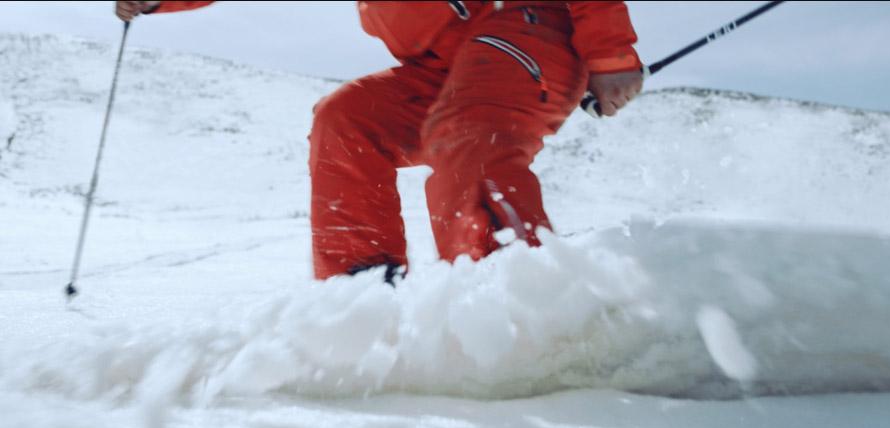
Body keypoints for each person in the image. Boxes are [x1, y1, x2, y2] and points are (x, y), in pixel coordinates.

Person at [116, 1, 643, 282]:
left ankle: (518, 298)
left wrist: (612, 55)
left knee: (466, 134)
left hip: (526, 29)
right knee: (345, 120)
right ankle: (364, 297)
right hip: (444, 67)